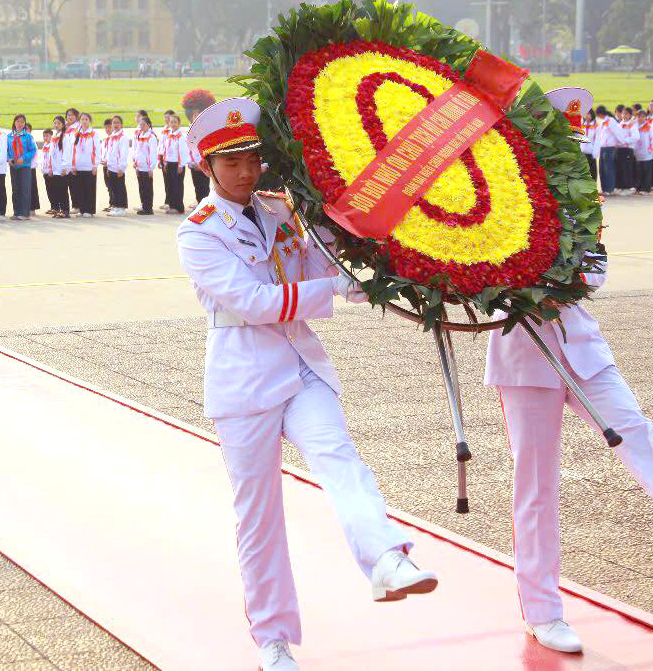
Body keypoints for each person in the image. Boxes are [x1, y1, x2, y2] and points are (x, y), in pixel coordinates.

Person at [177, 98, 436, 671]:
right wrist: (336, 291)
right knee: (259, 514)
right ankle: (273, 639)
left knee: (339, 458)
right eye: (232, 163)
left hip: (300, 366)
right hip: (243, 378)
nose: (246, 172)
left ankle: (386, 558)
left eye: (252, 159)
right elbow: (252, 302)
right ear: (208, 169)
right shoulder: (196, 233)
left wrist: (384, 267)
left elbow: (323, 267)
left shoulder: (282, 209)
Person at [485, 245, 653, 654]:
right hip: (521, 356)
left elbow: (595, 268)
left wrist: (561, 280)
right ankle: (541, 612)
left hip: (582, 345)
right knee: (536, 485)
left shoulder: (568, 187)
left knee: (638, 434)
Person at [8, 114, 37, 220]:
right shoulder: (9, 136)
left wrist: (23, 158)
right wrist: (9, 158)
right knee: (15, 189)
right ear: (14, 123)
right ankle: (16, 212)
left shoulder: (28, 136)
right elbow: (6, 150)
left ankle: (24, 213)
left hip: (24, 166)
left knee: (24, 189)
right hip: (14, 166)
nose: (20, 124)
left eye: (22, 122)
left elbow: (33, 150)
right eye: (18, 121)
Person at [69, 113, 98, 217]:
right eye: (82, 119)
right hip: (78, 165)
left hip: (89, 165)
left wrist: (95, 165)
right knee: (79, 189)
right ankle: (82, 209)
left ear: (89, 121)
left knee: (89, 188)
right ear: (79, 121)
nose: (84, 121)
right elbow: (73, 149)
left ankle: (89, 210)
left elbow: (96, 150)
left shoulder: (94, 134)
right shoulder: (76, 133)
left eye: (86, 119)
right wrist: (73, 165)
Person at [103, 115, 130, 216]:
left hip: (118, 167)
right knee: (113, 187)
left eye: (117, 122)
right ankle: (116, 206)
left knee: (120, 187)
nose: (115, 125)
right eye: (114, 123)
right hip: (111, 166)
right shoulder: (112, 136)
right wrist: (107, 162)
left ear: (121, 125)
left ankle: (122, 207)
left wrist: (121, 167)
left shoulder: (123, 138)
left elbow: (123, 154)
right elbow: (109, 151)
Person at [132, 114, 158, 215]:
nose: (141, 127)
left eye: (143, 125)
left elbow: (153, 153)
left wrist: (151, 167)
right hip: (140, 166)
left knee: (147, 188)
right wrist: (135, 162)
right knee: (141, 187)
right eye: (140, 125)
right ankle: (143, 205)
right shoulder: (140, 135)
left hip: (147, 167)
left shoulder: (151, 137)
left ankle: (148, 208)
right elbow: (137, 150)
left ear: (148, 125)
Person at [161, 111, 186, 212]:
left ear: (178, 123)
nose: (173, 124)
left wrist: (181, 165)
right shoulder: (169, 135)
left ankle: (179, 207)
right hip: (170, 163)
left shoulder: (180, 136)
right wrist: (165, 162)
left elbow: (183, 151)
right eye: (171, 122)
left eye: (175, 122)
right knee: (170, 185)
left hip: (177, 164)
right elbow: (166, 150)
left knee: (177, 185)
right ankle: (172, 205)